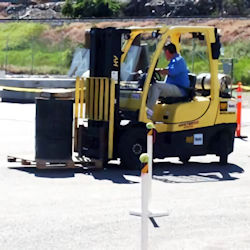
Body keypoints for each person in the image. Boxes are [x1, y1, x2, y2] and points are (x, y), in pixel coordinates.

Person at [146, 42, 190, 117]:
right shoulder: (174, 61)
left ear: (167, 52)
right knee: (150, 87)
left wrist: (155, 70)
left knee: (156, 87)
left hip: (180, 89)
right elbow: (167, 70)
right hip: (174, 87)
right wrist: (157, 70)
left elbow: (169, 71)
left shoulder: (179, 60)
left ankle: (148, 115)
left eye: (164, 52)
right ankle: (147, 110)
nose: (164, 54)